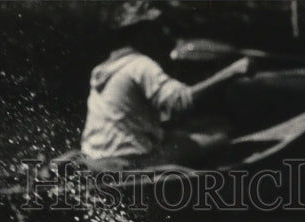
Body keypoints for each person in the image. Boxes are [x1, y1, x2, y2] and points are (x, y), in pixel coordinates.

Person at [79, 3, 249, 169]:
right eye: (156, 29)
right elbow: (181, 101)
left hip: (96, 160)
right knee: (219, 137)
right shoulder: (141, 65)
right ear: (141, 32)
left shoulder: (102, 70)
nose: (161, 35)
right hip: (130, 163)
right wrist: (232, 72)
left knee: (179, 136)